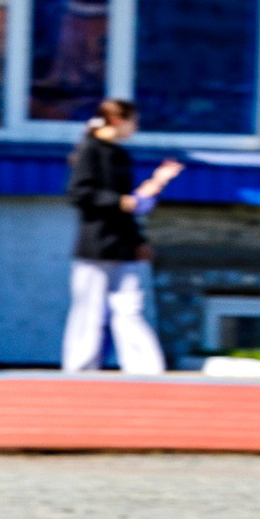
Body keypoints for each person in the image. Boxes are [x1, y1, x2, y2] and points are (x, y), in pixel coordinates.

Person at [64, 98, 181, 375]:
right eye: (133, 121)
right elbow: (79, 193)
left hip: (123, 245)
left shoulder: (120, 155)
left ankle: (145, 369)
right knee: (89, 311)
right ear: (118, 120)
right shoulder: (91, 150)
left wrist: (138, 240)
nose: (135, 127)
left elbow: (131, 204)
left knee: (130, 308)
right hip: (96, 245)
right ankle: (80, 369)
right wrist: (119, 202)